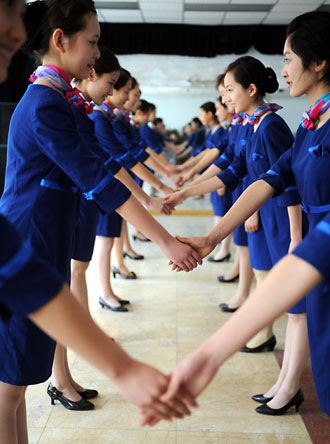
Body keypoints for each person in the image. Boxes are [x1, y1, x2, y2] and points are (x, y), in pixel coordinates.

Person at [0, 1, 196, 442]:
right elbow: (100, 180)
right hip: (26, 245)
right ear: (60, 40)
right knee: (9, 389)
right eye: (91, 42)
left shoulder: (59, 102)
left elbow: (102, 170)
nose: (96, 53)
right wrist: (165, 242)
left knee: (17, 384)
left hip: (42, 241)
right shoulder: (45, 104)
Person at [167, 10, 330, 416]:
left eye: (290, 58)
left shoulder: (292, 125)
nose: (285, 69)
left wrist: (213, 351)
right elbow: (267, 178)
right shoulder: (312, 125)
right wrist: (210, 236)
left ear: (320, 61)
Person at [168, 56, 304, 357]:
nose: (225, 98)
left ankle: (270, 338)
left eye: (229, 90)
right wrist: (185, 193)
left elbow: (288, 184)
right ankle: (264, 332)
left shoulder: (271, 126)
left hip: (280, 217)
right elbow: (233, 170)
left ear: (251, 89)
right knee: (263, 275)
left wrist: (296, 236)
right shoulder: (255, 126)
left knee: (287, 291)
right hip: (261, 212)